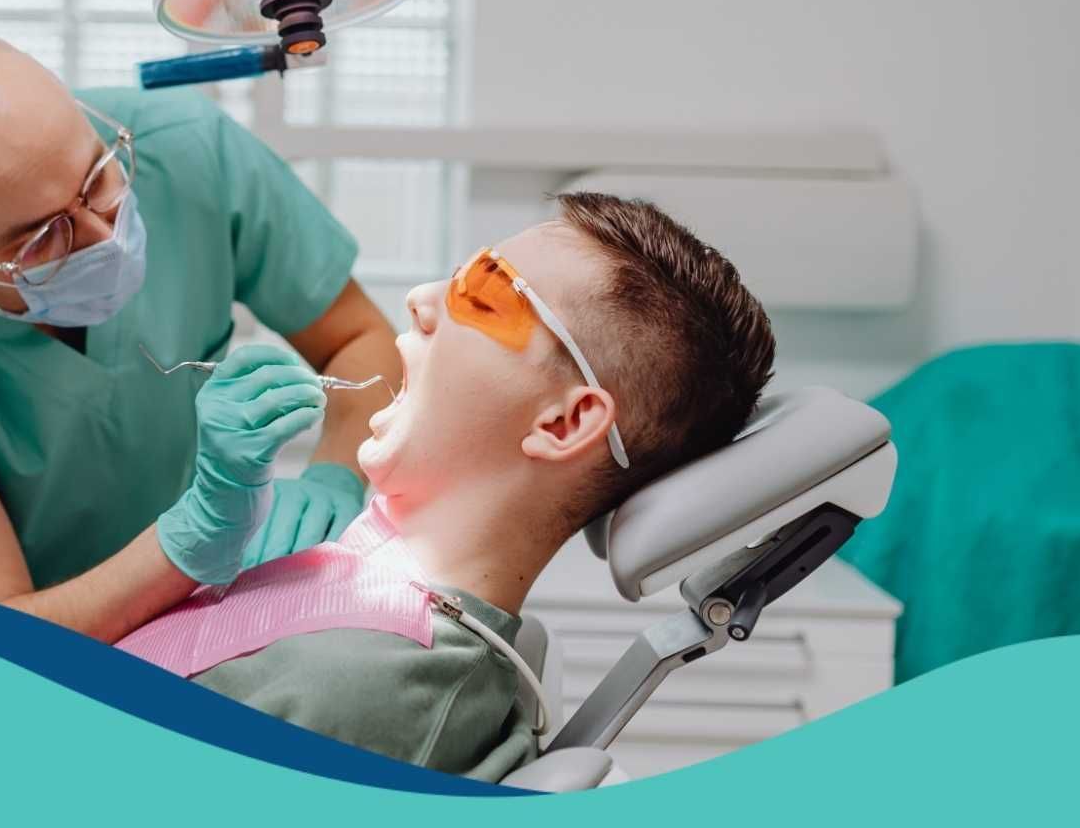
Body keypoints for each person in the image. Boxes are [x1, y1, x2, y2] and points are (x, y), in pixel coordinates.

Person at [115, 192, 778, 782]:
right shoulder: (351, 574)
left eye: (482, 295)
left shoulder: (360, 690)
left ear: (566, 422)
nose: (422, 298)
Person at [0, 34, 401, 640]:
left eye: (96, 181)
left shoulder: (188, 150)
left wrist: (334, 478)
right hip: (40, 655)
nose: (104, 235)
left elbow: (358, 338)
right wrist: (193, 536)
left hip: (209, 611)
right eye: (42, 237)